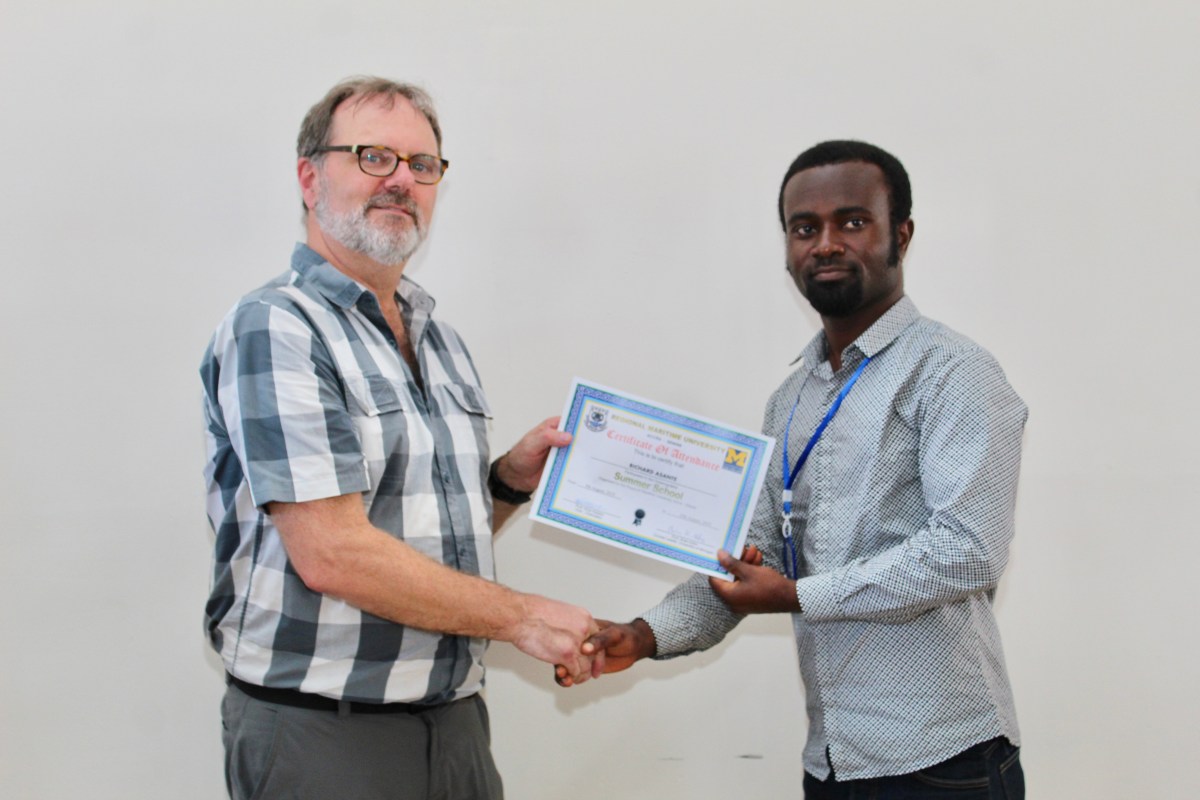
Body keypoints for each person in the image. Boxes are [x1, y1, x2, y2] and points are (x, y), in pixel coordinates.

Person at [572, 141, 1028, 797]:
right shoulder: (790, 401)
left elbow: (967, 552)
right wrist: (644, 636)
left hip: (943, 761)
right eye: (804, 228)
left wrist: (796, 596)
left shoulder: (954, 372)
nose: (826, 244)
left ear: (901, 235)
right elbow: (749, 558)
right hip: (832, 762)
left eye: (852, 221)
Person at [200, 76, 600, 800]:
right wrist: (523, 618)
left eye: (422, 164)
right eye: (374, 156)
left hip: (455, 726)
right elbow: (332, 553)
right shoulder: (277, 326)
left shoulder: (441, 342)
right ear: (310, 178)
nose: (401, 181)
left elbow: (416, 529)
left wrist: (507, 481)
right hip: (325, 735)